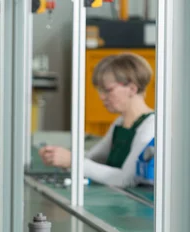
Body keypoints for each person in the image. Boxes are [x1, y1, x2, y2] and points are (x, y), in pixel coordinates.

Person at [38, 52, 155, 188]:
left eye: (108, 90)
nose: (102, 97)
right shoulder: (120, 122)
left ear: (132, 89)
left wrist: (73, 161)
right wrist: (60, 156)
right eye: (100, 91)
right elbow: (92, 158)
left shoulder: (150, 126)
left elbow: (127, 179)